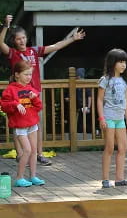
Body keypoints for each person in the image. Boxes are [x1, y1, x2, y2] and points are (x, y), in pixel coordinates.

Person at [0, 14, 86, 165]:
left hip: (34, 93)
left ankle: (38, 154)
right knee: (17, 123)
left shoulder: (33, 51)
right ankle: (20, 156)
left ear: (27, 38)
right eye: (18, 39)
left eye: (23, 38)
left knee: (36, 124)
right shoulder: (13, 53)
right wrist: (6, 26)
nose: (21, 41)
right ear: (14, 40)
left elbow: (55, 46)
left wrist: (73, 39)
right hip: (18, 94)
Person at [0, 61, 44, 187]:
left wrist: (34, 98)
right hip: (20, 126)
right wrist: (16, 104)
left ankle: (33, 176)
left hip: (32, 125)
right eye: (26, 74)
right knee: (27, 150)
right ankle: (19, 178)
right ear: (17, 75)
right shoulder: (10, 90)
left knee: (34, 151)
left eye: (30, 74)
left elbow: (39, 107)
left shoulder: (31, 89)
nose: (29, 77)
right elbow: (4, 106)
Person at [97, 49, 127, 188]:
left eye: (124, 62)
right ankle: (105, 179)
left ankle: (119, 179)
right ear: (113, 63)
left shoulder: (125, 82)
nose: (123, 65)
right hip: (109, 117)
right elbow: (100, 100)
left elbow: (125, 102)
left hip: (120, 119)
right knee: (110, 147)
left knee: (123, 148)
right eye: (120, 62)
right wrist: (102, 118)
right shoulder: (105, 80)